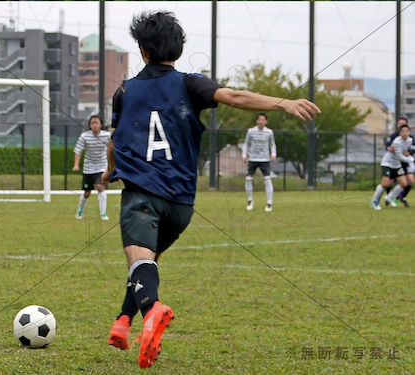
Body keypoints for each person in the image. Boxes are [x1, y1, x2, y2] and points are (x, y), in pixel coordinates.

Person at [101, 11, 320, 369]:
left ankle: (151, 312)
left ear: (141, 50)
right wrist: (284, 102)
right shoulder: (191, 83)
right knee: (147, 262)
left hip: (141, 195)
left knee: (139, 260)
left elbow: (113, 143)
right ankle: (122, 323)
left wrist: (108, 173)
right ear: (179, 49)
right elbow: (235, 96)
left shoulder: (124, 93)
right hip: (182, 204)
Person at [72, 115, 111, 220]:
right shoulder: (84, 136)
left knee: (99, 186)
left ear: (101, 124)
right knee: (87, 193)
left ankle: (103, 213)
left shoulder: (107, 135)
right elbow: (78, 150)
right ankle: (80, 210)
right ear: (89, 125)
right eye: (92, 123)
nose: (94, 125)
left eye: (96, 123)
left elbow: (113, 147)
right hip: (88, 168)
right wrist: (76, 165)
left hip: (102, 166)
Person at [371, 123, 413, 210]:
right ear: (400, 133)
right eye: (403, 131)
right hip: (388, 163)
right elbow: (400, 157)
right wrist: (411, 159)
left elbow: (408, 150)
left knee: (404, 184)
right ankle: (375, 201)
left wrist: (409, 153)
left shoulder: (410, 140)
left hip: (397, 165)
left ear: (409, 132)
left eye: (406, 131)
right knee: (385, 184)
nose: (405, 133)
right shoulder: (397, 142)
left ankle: (389, 197)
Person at [242, 113, 277, 212]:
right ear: (257, 121)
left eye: (263, 120)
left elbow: (272, 144)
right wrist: (244, 155)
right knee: (248, 179)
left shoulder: (269, 132)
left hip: (264, 160)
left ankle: (269, 203)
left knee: (267, 179)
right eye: (259, 120)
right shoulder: (251, 131)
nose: (261, 122)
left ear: (266, 121)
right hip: (253, 159)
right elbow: (246, 143)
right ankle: (250, 201)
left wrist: (273, 154)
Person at [384, 117, 414, 207]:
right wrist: (391, 149)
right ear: (398, 126)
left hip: (404, 163)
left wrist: (409, 153)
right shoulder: (395, 138)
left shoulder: (410, 138)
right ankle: (385, 198)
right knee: (387, 182)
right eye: (400, 124)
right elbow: (388, 147)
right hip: (395, 163)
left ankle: (399, 197)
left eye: (403, 123)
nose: (401, 125)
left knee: (409, 181)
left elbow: (412, 149)